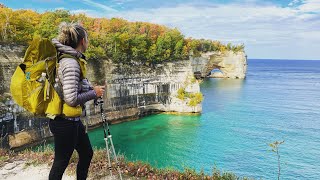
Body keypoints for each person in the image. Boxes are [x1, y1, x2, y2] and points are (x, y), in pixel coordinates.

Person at [49, 22, 105, 180]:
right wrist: (94, 93)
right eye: (87, 39)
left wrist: (91, 90)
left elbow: (74, 86)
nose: (88, 42)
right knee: (61, 162)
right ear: (82, 41)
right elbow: (71, 99)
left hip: (71, 120)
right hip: (64, 122)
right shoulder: (71, 63)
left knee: (87, 153)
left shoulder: (71, 59)